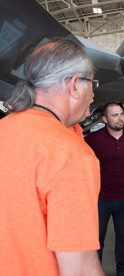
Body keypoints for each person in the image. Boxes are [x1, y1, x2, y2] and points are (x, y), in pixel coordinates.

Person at [0, 38, 105, 275]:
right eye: (92, 84)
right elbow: (78, 269)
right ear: (75, 85)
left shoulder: (4, 130)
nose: (92, 96)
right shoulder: (70, 155)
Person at [85, 102, 124, 276]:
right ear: (104, 119)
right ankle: (94, 271)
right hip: (100, 199)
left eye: (121, 114)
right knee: (97, 240)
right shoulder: (93, 140)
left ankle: (123, 270)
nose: (120, 118)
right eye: (115, 115)